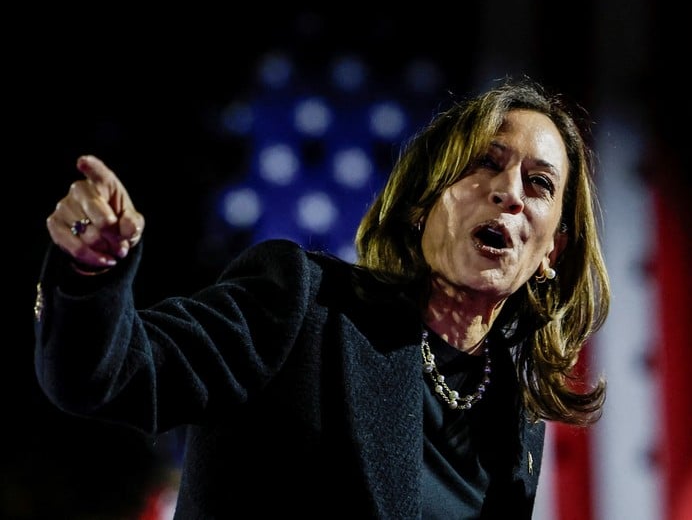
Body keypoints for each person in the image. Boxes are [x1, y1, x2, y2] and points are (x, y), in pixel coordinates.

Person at [33, 76, 611, 519]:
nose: (509, 192)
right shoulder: (303, 304)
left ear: (551, 252)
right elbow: (111, 374)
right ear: (421, 205)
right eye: (485, 163)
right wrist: (93, 272)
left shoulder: (512, 412)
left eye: (539, 184)